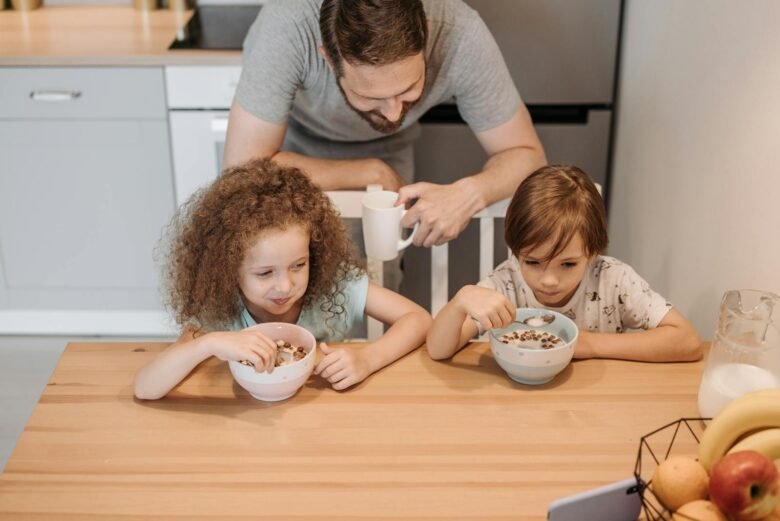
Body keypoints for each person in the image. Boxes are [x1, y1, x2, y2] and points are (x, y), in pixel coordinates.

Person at [224, 0, 546, 250]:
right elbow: (243, 168)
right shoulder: (288, 27)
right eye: (370, 96)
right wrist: (365, 171)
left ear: (427, 31)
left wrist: (469, 193)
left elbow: (527, 154)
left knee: (380, 271)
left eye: (408, 89)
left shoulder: (461, 32)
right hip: (291, 149)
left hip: (392, 151)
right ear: (327, 58)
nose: (393, 115)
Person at [134, 159, 432, 400]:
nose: (286, 286)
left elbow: (417, 319)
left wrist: (367, 360)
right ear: (227, 269)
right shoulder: (219, 309)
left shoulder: (334, 286)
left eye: (298, 265)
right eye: (265, 273)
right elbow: (145, 388)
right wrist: (208, 344)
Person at [425, 165, 702, 363]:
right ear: (516, 251)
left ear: (593, 252)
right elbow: (438, 350)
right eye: (532, 262)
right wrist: (460, 301)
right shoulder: (506, 283)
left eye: (568, 264)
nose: (548, 280)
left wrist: (591, 344)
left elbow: (687, 342)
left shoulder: (613, 279)